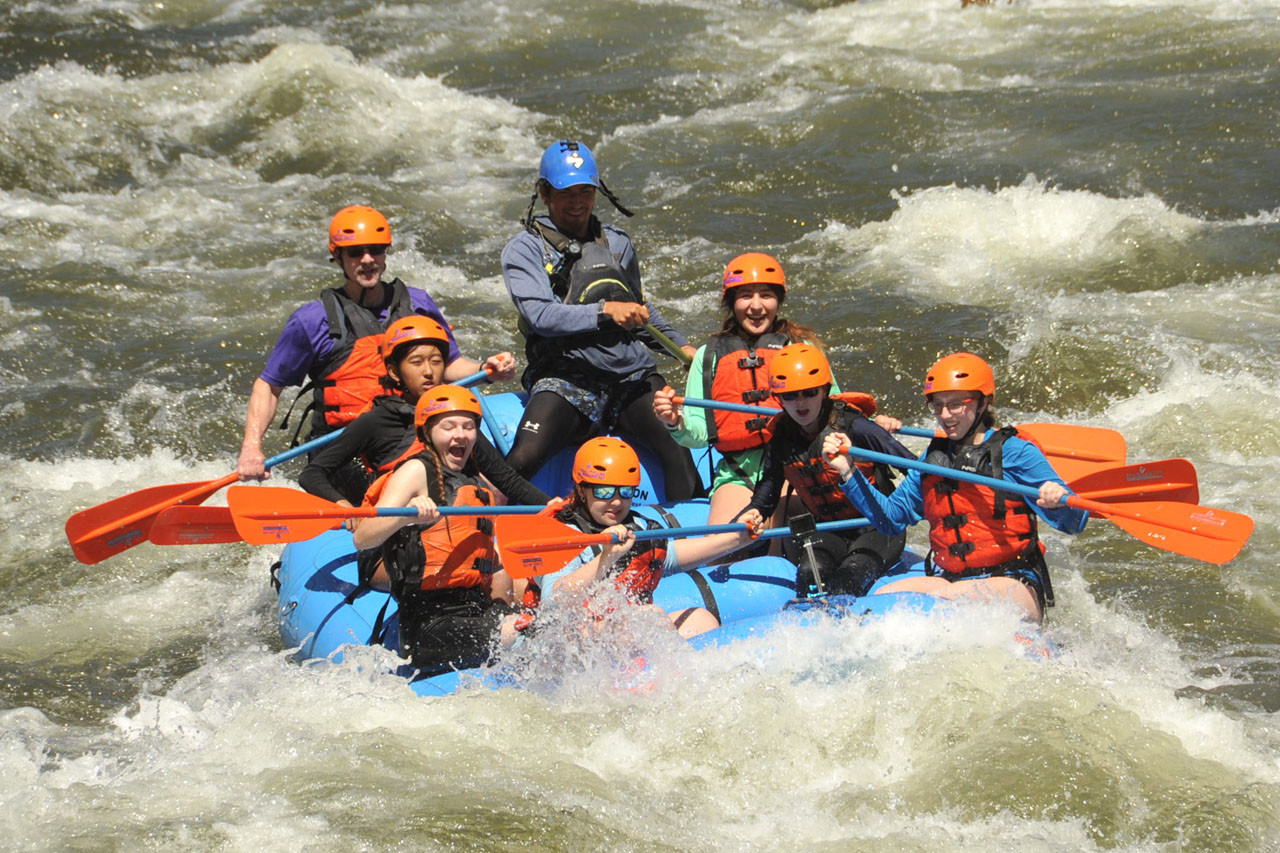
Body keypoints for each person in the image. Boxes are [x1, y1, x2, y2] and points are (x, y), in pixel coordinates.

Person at [238, 204, 516, 500]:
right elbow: (269, 386)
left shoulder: (418, 304)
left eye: (376, 250)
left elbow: (447, 367)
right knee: (421, 493)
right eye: (355, 252)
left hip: (414, 431)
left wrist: (485, 370)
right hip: (348, 447)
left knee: (494, 493)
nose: (367, 259)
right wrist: (252, 447)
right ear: (337, 256)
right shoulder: (311, 321)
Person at [500, 140, 701, 501]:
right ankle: (481, 521)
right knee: (523, 458)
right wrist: (605, 310)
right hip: (566, 377)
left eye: (585, 191)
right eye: (566, 192)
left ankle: (687, 529)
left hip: (630, 377)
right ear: (545, 194)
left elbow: (639, 311)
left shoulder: (618, 243)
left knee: (678, 451)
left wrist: (682, 346)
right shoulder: (525, 249)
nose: (577, 202)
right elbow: (541, 315)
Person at [828, 352, 1088, 622]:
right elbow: (891, 519)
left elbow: (1075, 523)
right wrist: (848, 471)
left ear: (983, 402)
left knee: (949, 598)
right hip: (951, 580)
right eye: (938, 405)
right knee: (876, 602)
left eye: (955, 405)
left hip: (1012, 580)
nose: (945, 415)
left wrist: (1057, 503)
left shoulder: (1016, 453)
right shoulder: (933, 460)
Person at [351, 385, 549, 675]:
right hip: (429, 622)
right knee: (520, 631)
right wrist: (403, 517)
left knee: (546, 629)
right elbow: (362, 538)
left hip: (476, 607)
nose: (461, 435)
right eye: (448, 427)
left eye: (468, 427)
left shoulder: (473, 480)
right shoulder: (416, 471)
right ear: (427, 432)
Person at [653, 252, 829, 528]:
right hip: (737, 472)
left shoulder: (802, 350)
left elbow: (834, 410)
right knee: (723, 541)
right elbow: (699, 434)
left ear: (778, 301)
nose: (756, 306)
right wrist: (676, 421)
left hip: (795, 464)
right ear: (731, 302)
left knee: (781, 527)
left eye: (766, 295)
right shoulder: (708, 356)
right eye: (746, 296)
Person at [533, 438, 761, 638]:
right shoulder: (559, 534)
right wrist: (606, 558)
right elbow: (552, 604)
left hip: (627, 632)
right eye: (604, 491)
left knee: (700, 620)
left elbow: (672, 557)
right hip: (572, 640)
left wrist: (739, 538)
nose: (616, 501)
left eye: (625, 492)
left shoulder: (637, 527)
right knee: (649, 617)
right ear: (582, 490)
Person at [739, 344, 916, 597]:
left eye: (809, 392)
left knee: (850, 575)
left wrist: (908, 510)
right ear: (779, 399)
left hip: (878, 527)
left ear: (824, 391)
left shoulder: (856, 427)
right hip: (828, 529)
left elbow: (912, 468)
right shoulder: (781, 440)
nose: (801, 403)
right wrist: (754, 512)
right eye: (790, 396)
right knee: (810, 575)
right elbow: (767, 492)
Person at [297, 316, 515, 510]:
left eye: (436, 362)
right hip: (404, 532)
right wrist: (343, 505)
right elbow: (312, 473)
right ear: (394, 372)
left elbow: (507, 479)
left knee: (492, 489)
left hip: (455, 526)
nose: (428, 372)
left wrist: (539, 510)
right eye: (416, 363)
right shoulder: (378, 419)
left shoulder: (457, 417)